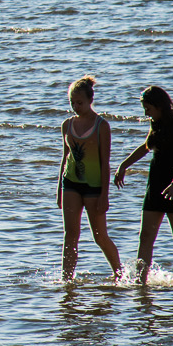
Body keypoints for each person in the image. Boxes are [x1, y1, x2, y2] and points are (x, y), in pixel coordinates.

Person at [114, 85, 173, 287]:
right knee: (145, 236)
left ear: (159, 105)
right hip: (156, 182)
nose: (146, 113)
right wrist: (123, 166)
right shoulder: (156, 122)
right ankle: (140, 283)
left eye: (148, 108)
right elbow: (146, 147)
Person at [57, 75, 122, 281]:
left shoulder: (101, 125)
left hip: (94, 187)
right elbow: (64, 157)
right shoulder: (67, 124)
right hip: (71, 184)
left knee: (99, 236)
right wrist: (59, 189)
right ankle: (67, 280)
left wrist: (105, 195)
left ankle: (120, 274)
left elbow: (105, 163)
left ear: (90, 100)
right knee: (70, 235)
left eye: (80, 103)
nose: (75, 107)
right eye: (72, 103)